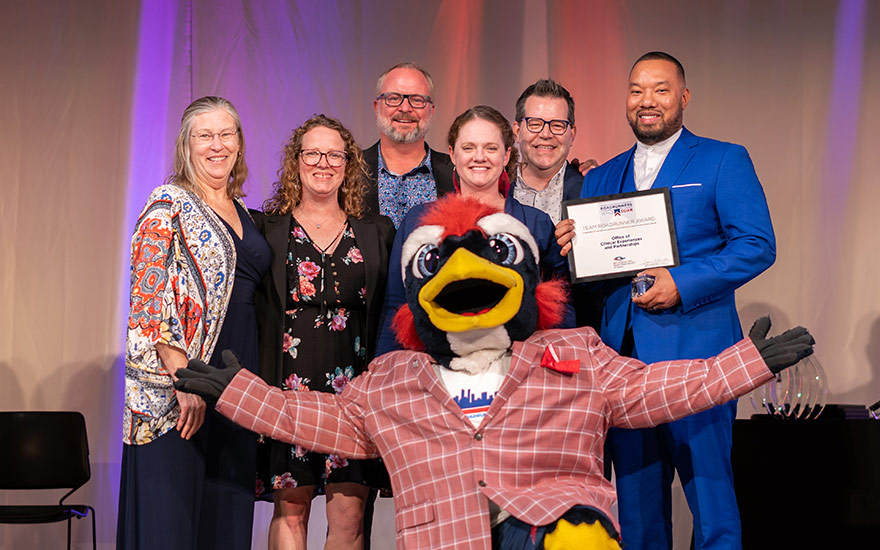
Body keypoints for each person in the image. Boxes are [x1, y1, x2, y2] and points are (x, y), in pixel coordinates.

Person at [172, 192, 812, 550]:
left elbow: (654, 390)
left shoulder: (574, 353)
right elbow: (311, 415)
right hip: (449, 532)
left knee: (579, 542)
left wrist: (745, 363)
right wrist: (236, 392)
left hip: (553, 522)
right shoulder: (394, 380)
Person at [556, 52, 776, 549]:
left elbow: (757, 245)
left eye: (660, 89)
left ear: (684, 97)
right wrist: (573, 250)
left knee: (713, 506)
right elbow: (595, 277)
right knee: (636, 513)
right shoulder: (600, 176)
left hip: (699, 359)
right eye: (636, 90)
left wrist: (683, 282)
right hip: (624, 367)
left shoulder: (723, 159)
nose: (647, 101)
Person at [118, 96, 270, 549]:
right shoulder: (168, 202)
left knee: (225, 528)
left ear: (239, 143)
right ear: (187, 144)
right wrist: (185, 381)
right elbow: (146, 298)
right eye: (205, 135)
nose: (217, 145)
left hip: (236, 389)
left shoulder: (245, 212)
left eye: (227, 134)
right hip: (178, 396)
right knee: (172, 529)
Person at [253, 114, 395, 550]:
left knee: (350, 516)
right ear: (296, 161)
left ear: (349, 164)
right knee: (290, 511)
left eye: (335, 154)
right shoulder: (266, 230)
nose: (323, 163)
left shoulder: (377, 232)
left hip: (353, 395)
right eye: (313, 153)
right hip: (286, 391)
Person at [375, 105, 574, 356]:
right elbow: (396, 306)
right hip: (439, 369)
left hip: (519, 372)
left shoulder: (536, 223)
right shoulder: (420, 221)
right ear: (452, 154)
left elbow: (562, 308)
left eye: (491, 148)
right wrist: (385, 374)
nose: (479, 157)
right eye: (468, 148)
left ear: (506, 156)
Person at [363, 62, 455, 226]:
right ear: (377, 107)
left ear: (431, 110)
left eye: (417, 100)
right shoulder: (350, 170)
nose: (405, 108)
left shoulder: (456, 173)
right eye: (393, 98)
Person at [512, 78, 596, 225]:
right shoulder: (495, 187)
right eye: (535, 124)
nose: (546, 134)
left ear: (571, 134)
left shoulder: (592, 189)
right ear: (517, 131)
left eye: (557, 125)